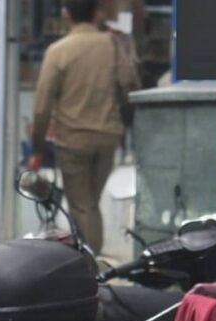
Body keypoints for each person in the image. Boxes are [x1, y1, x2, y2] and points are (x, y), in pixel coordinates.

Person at [27, 0, 139, 255]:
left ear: (66, 15)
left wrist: (36, 147)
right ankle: (90, 260)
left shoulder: (58, 51)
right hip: (108, 137)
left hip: (73, 140)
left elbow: (42, 107)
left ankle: (90, 263)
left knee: (82, 204)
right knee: (91, 202)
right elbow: (130, 85)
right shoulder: (112, 45)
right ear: (96, 14)